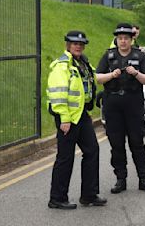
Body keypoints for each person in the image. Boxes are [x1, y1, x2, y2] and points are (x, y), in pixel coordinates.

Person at [47, 31, 106, 209]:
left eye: (81, 44)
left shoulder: (83, 63)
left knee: (92, 151)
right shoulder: (62, 66)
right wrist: (64, 119)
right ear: (68, 45)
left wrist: (113, 75)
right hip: (67, 118)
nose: (78, 46)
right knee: (65, 158)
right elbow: (57, 95)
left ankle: (89, 195)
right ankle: (57, 198)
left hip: (81, 116)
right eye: (74, 44)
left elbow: (95, 78)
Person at [96, 23, 145, 194]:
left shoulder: (140, 56)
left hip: (133, 103)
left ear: (131, 40)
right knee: (116, 143)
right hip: (113, 103)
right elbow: (98, 78)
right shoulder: (108, 56)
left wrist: (136, 73)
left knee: (137, 142)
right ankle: (120, 179)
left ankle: (143, 179)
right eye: (120, 38)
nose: (123, 41)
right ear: (116, 40)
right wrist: (111, 75)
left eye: (126, 39)